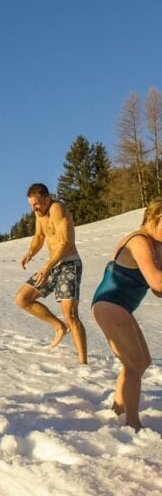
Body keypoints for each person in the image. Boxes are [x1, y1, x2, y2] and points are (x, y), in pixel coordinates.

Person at [91, 199, 162, 431]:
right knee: (136, 362)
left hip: (117, 306)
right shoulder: (140, 241)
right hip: (110, 303)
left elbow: (157, 291)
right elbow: (157, 281)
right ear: (153, 218)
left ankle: (118, 410)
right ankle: (132, 422)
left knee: (140, 362)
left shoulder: (154, 245)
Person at [15, 183, 87, 364]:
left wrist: (47, 267)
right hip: (53, 265)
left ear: (47, 199)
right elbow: (40, 236)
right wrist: (30, 253)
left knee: (70, 314)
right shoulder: (40, 213)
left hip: (69, 263)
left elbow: (65, 242)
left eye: (36, 204)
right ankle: (59, 327)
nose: (33, 208)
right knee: (22, 299)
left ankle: (83, 362)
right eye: (30, 205)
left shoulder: (57, 209)